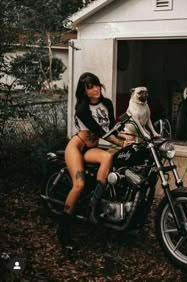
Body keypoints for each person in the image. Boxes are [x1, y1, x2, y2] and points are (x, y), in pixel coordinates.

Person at [57, 72, 128, 249]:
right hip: (77, 147)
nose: (95, 89)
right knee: (79, 185)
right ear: (84, 91)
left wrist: (130, 137)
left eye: (96, 85)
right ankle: (63, 229)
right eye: (90, 87)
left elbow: (111, 128)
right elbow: (103, 132)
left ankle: (95, 201)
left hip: (92, 147)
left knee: (109, 157)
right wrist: (119, 141)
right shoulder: (82, 109)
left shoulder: (107, 104)